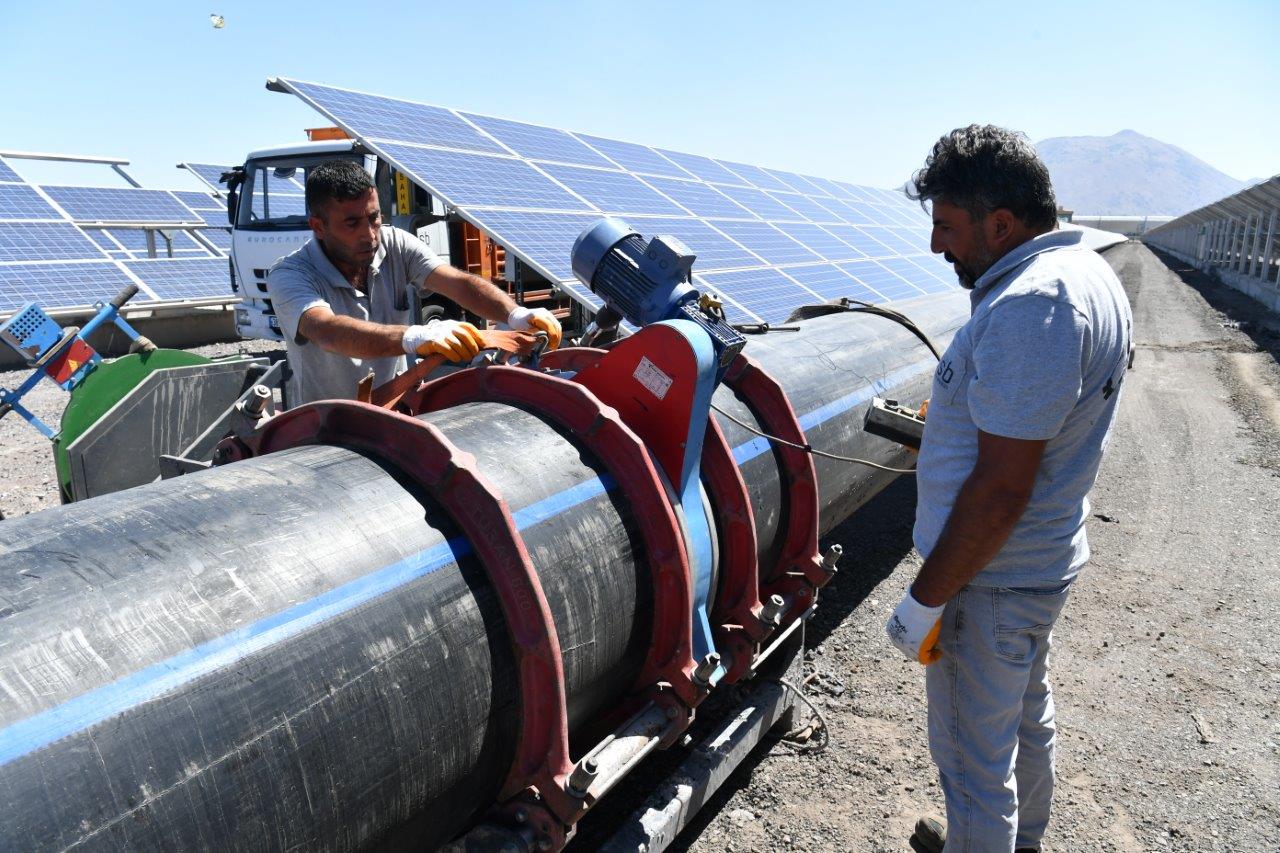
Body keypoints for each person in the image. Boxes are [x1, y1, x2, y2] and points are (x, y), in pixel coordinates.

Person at [883, 125, 1132, 852]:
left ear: (1001, 224)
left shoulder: (1033, 306)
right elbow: (1025, 435)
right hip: (1033, 567)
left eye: (947, 226)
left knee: (972, 763)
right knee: (1024, 719)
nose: (936, 246)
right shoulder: (1084, 277)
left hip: (987, 583)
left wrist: (926, 597)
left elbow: (998, 491)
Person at [267, 159, 562, 405]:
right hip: (323, 427)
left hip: (394, 410)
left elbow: (456, 282)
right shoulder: (291, 274)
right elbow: (327, 331)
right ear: (318, 227)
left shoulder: (394, 244)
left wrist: (515, 314)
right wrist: (415, 338)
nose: (370, 234)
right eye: (352, 223)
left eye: (374, 218)